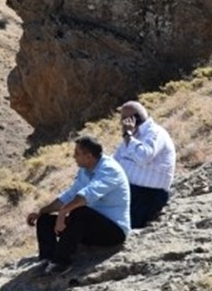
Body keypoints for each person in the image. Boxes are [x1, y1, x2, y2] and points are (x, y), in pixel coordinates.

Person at [26, 135, 130, 275]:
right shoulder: (85, 170)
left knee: (80, 212)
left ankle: (61, 263)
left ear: (88, 156)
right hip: (90, 228)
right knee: (45, 219)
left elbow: (86, 196)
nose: (74, 157)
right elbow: (69, 195)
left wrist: (63, 213)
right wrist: (41, 212)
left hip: (113, 232)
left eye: (77, 154)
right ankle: (46, 259)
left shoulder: (110, 170)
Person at [113, 100, 175, 228]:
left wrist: (127, 135)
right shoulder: (133, 136)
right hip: (129, 189)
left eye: (124, 119)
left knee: (122, 225)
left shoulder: (155, 133)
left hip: (148, 193)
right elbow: (116, 161)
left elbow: (143, 157)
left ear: (133, 119)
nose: (122, 123)